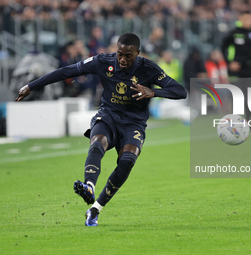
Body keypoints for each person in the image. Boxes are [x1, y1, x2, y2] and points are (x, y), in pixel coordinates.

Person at [15, 33, 187, 226]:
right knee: (98, 142)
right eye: (119, 53)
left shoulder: (149, 68)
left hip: (134, 122)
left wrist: (154, 92)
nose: (122, 59)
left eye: (128, 56)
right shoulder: (103, 62)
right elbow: (67, 71)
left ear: (137, 53)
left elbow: (180, 91)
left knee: (128, 161)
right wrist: (31, 85)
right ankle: (89, 185)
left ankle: (96, 209)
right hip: (108, 115)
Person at [221, 11, 251, 121]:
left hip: (249, 69)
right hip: (236, 70)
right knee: (236, 95)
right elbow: (223, 48)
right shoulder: (233, 33)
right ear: (240, 19)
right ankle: (234, 120)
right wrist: (229, 63)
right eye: (247, 19)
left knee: (248, 95)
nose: (250, 22)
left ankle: (249, 121)